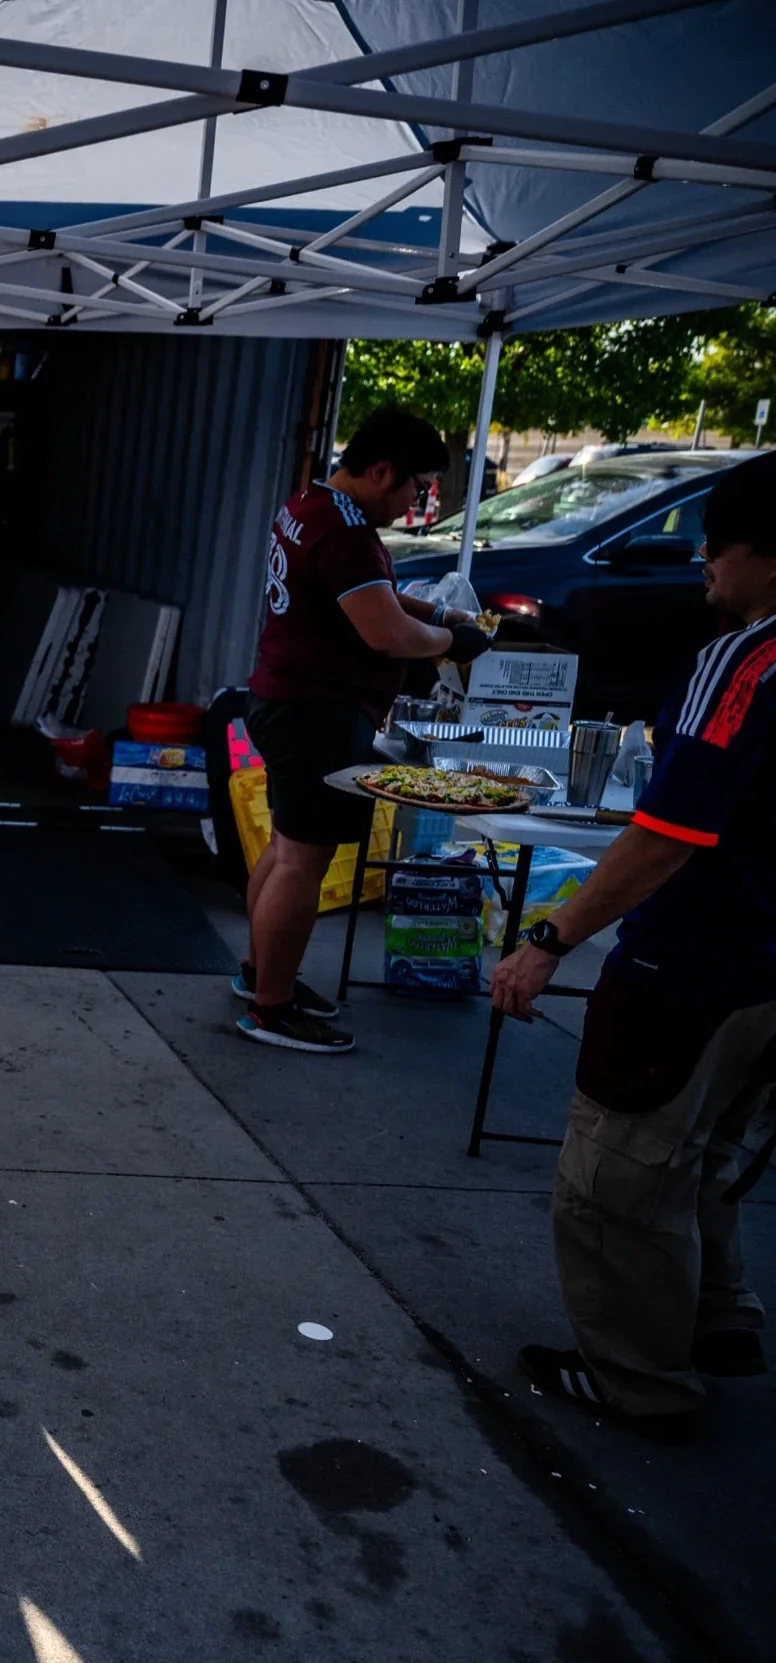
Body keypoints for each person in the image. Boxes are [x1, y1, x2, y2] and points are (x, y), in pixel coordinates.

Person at [498, 453, 776, 1445]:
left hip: (696, 962)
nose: (701, 560)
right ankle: (719, 1318)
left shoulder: (745, 659)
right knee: (701, 1153)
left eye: (716, 542)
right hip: (761, 972)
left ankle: (637, 1380)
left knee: (617, 1177)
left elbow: (669, 834)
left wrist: (548, 935)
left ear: (762, 555)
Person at [239, 405, 492, 1053]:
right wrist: (450, 641)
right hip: (314, 709)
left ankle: (262, 975)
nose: (419, 500)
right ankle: (272, 1006)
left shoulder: (314, 501)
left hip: (287, 698)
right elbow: (385, 631)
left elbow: (368, 591)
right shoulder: (346, 531)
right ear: (382, 470)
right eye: (417, 485)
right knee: (302, 857)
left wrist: (436, 609)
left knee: (286, 847)